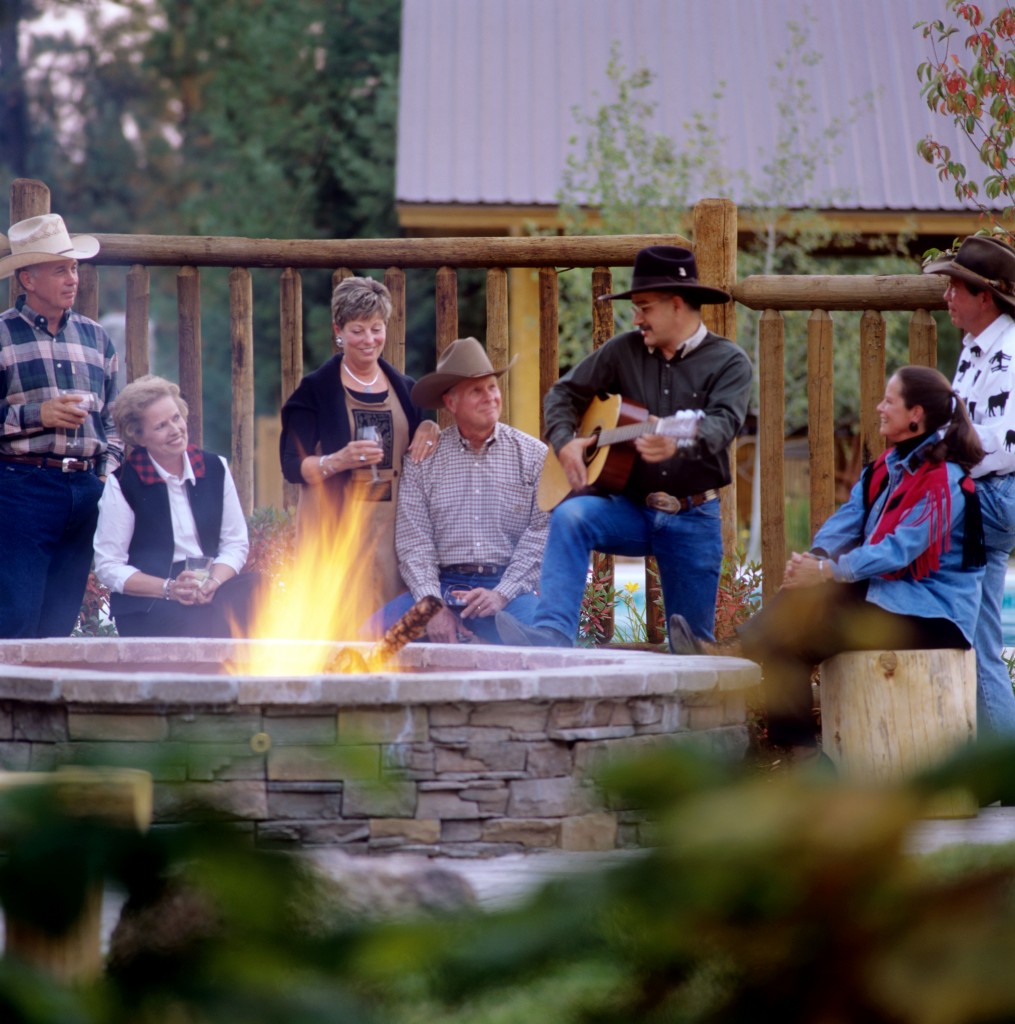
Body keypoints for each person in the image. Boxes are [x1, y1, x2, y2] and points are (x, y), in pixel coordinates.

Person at [671, 367, 986, 759]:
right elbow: (846, 520)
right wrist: (816, 560)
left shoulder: (945, 483)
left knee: (819, 599)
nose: (879, 407)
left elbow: (898, 550)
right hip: (887, 599)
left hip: (933, 617)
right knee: (786, 645)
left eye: (889, 401)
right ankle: (797, 757)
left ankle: (734, 652)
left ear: (915, 414)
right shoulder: (885, 468)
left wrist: (825, 573)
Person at [496, 244, 752, 648]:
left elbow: (722, 426)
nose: (636, 318)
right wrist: (564, 442)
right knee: (571, 516)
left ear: (678, 304)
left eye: (645, 307)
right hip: (630, 510)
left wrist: (677, 447)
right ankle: (552, 635)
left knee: (691, 646)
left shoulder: (729, 362)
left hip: (693, 517)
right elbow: (562, 395)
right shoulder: (623, 351)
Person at [279, 276, 439, 620]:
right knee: (337, 626)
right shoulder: (315, 389)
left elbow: (418, 440)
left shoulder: (406, 389)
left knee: (391, 632)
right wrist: (336, 461)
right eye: (358, 330)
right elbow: (292, 464)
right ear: (338, 329)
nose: (369, 340)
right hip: (335, 528)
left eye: (376, 328)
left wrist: (430, 425)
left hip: (392, 532)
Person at [374, 337, 549, 644]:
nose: (490, 397)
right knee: (370, 639)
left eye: (492, 387)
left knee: (546, 638)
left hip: (507, 585)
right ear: (451, 403)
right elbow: (414, 543)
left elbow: (540, 534)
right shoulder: (423, 461)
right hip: (441, 585)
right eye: (476, 391)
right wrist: (430, 607)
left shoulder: (534, 455)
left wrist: (501, 594)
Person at [0, 213, 123, 638]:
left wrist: (107, 471)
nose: (72, 278)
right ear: (28, 279)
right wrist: (40, 416)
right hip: (21, 489)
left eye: (73, 267)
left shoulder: (97, 337)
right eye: (60, 270)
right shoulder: (1, 336)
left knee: (59, 627)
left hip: (88, 491)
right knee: (15, 621)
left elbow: (112, 420)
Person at [922, 236, 1015, 740]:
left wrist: (939, 461)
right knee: (976, 635)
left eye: (955, 287)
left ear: (985, 295)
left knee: (973, 637)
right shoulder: (978, 348)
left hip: (993, 497)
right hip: (983, 493)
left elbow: (1006, 445)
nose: (946, 297)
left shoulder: (1012, 351)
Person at [93, 375, 258, 638]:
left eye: (176, 418)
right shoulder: (122, 483)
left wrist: (213, 583)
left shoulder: (216, 468)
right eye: (160, 426)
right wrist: (169, 588)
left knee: (256, 588)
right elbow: (108, 565)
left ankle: (247, 678)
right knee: (197, 623)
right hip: (153, 600)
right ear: (139, 436)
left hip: (208, 589)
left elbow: (235, 544)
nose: (175, 429)